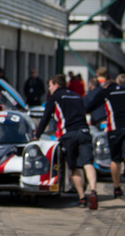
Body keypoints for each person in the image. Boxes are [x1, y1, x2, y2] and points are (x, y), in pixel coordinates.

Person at [34, 75, 98, 209]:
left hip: (69, 135)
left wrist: (37, 136)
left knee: (74, 167)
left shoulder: (55, 97)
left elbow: (46, 118)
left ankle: (82, 198)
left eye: (50, 85)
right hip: (84, 132)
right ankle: (93, 191)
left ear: (56, 85)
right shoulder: (77, 96)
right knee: (88, 163)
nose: (49, 88)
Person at [85, 76, 125, 202]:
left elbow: (90, 107)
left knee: (115, 159)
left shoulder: (105, 92)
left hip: (115, 129)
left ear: (105, 86)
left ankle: (117, 188)